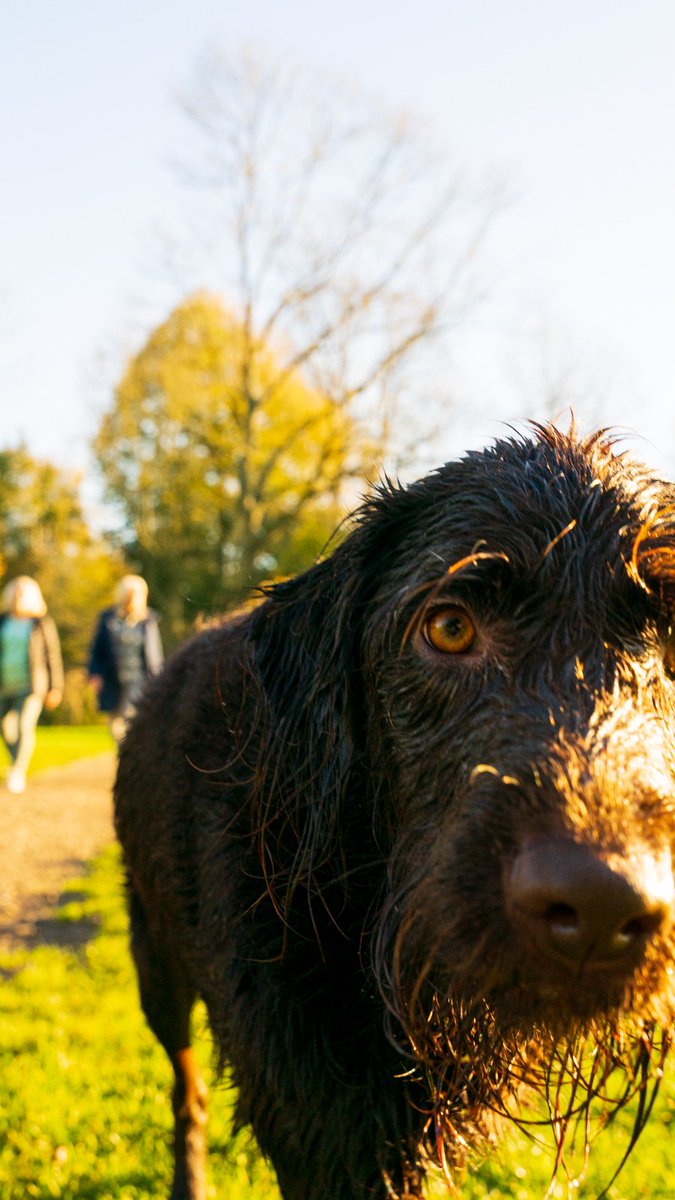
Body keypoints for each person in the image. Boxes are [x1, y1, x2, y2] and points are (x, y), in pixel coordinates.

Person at [0, 576, 63, 794]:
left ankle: (18, 771)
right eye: (15, 591)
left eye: (22, 592)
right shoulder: (3, 621)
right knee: (6, 729)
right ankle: (15, 762)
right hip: (4, 684)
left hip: (32, 685)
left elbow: (52, 656)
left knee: (24, 726)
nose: (17, 596)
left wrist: (56, 687)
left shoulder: (40, 623)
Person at [88, 575, 164, 742]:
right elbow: (97, 650)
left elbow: (155, 655)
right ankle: (125, 756)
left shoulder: (148, 621)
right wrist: (95, 673)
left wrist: (160, 681)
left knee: (136, 723)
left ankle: (133, 758)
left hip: (140, 682)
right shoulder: (108, 618)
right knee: (116, 727)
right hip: (113, 680)